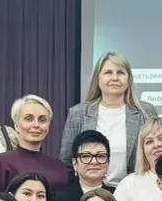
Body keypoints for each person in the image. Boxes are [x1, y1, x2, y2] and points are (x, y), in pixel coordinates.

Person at [61, 52, 154, 185]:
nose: (115, 78)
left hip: (134, 191)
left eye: (120, 73)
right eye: (108, 73)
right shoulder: (78, 113)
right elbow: (67, 161)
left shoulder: (146, 112)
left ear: (128, 79)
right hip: (89, 192)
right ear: (97, 78)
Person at [0, 95, 75, 201]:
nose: (36, 125)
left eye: (42, 120)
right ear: (17, 126)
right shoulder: (1, 163)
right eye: (28, 119)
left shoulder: (59, 167)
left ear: (48, 128)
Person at [68, 130, 115, 196]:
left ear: (108, 163)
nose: (94, 162)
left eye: (100, 156)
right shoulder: (58, 199)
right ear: (75, 164)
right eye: (86, 156)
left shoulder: (118, 196)